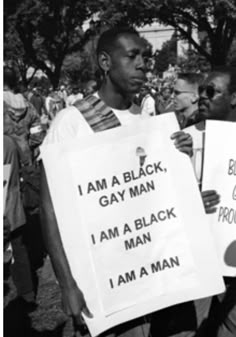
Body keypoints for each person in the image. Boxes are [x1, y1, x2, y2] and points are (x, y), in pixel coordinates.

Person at [40, 26, 193, 337]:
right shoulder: (72, 122)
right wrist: (67, 284)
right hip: (107, 287)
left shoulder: (150, 125)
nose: (143, 64)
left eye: (146, 58)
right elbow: (50, 209)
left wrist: (182, 159)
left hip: (156, 278)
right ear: (105, 62)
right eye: (132, 56)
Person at [185, 67, 236, 337]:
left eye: (211, 91)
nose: (201, 97)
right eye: (200, 91)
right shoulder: (185, 138)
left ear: (234, 98)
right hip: (199, 263)